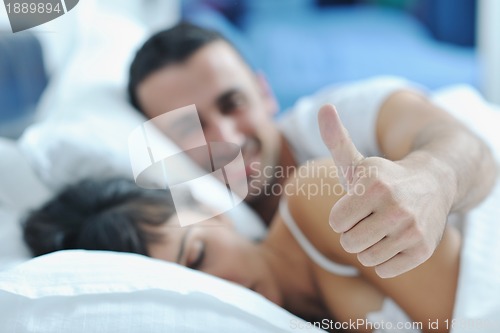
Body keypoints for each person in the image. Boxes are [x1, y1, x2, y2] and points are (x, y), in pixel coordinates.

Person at [127, 22, 496, 278]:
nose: (228, 139)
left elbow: (467, 148)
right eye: (189, 129)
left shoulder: (339, 118)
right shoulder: (213, 238)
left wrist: (431, 181)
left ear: (265, 93)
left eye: (232, 103)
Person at [23, 153, 460, 333]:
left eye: (197, 255)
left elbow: (476, 315)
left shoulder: (322, 200)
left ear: (208, 209)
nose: (220, 286)